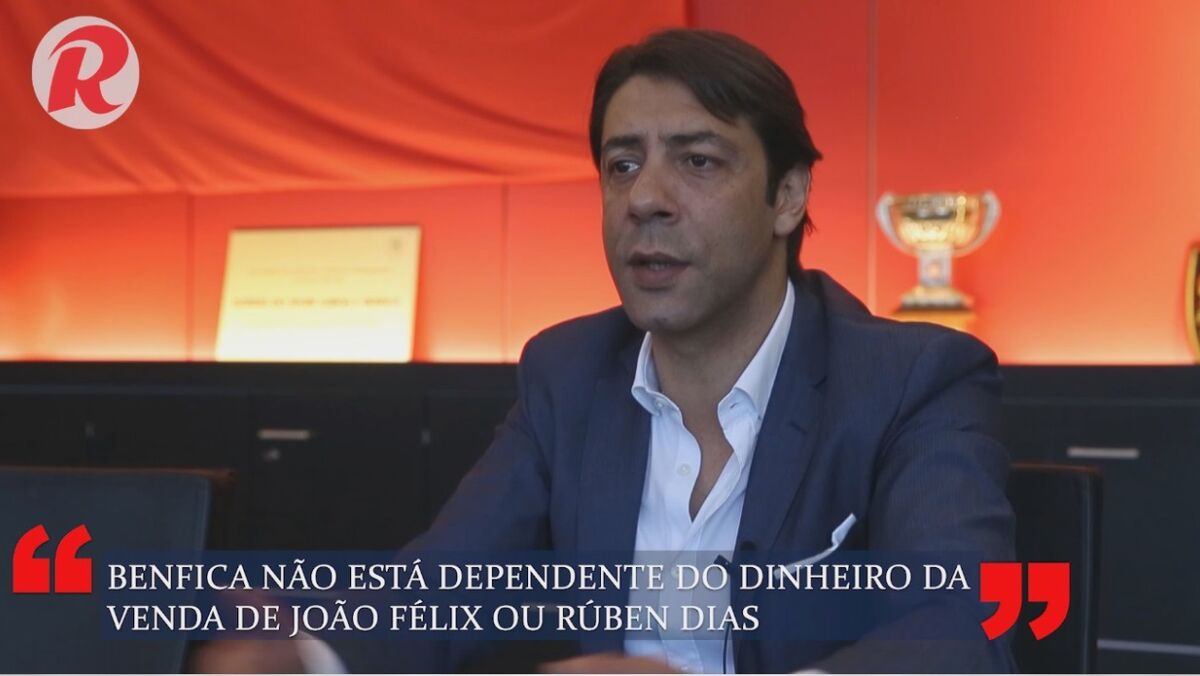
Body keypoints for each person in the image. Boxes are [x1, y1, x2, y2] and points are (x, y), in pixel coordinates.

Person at [193, 28, 1015, 673]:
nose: (645, 198)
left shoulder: (911, 381)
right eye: (622, 165)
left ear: (788, 196)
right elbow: (442, 586)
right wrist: (303, 655)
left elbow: (963, 628)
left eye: (698, 161)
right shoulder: (569, 374)